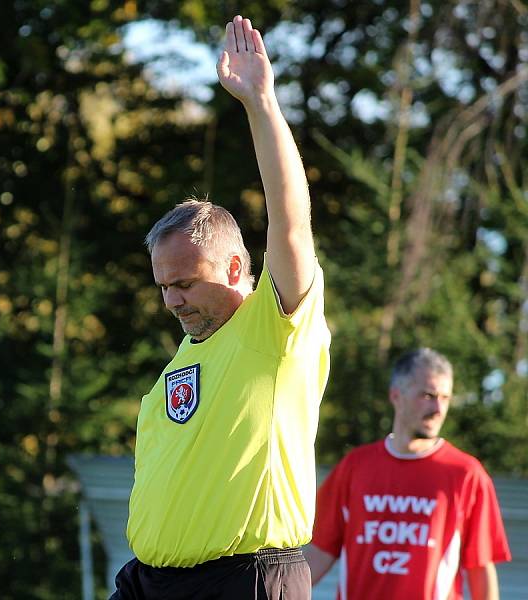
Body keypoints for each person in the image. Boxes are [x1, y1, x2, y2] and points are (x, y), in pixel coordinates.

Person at [112, 15, 331, 600]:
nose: (171, 300)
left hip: (243, 581)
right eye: (162, 287)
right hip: (148, 583)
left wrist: (261, 102)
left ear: (236, 268)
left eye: (184, 282)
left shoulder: (274, 328)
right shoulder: (188, 352)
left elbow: (291, 221)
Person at [305, 348, 512, 600]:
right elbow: (319, 552)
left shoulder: (466, 474)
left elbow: (481, 567)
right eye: (427, 395)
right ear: (396, 396)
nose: (438, 408)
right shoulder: (355, 467)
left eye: (445, 398)